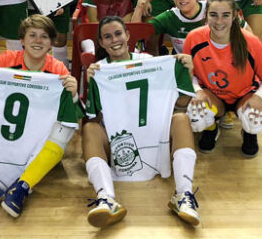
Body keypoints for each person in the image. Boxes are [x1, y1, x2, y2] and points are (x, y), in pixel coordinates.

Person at [0, 15, 80, 218]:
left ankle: (22, 187)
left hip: (34, 135)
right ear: (22, 40)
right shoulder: (4, 62)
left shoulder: (57, 70)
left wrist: (72, 94)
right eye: (32, 35)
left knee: (66, 129)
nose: (38, 41)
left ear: (51, 43)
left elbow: (71, 112)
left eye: (44, 36)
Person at [81, 16, 200, 227]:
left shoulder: (150, 61)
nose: (114, 39)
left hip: (155, 136)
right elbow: (94, 118)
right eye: (107, 37)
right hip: (119, 143)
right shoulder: (98, 70)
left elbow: (180, 104)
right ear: (101, 43)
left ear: (128, 36)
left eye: (118, 33)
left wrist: (187, 73)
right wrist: (91, 84)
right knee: (89, 128)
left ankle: (183, 195)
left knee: (181, 119)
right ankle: (106, 198)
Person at [183, 0, 262, 158]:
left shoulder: (250, 42)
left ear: (234, 16)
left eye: (225, 15)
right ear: (206, 15)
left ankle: (249, 133)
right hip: (213, 96)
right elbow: (190, 74)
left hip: (244, 96)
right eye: (213, 15)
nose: (219, 22)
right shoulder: (194, 38)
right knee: (195, 113)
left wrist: (258, 97)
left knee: (254, 120)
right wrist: (198, 91)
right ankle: (211, 129)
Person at [132, 0, 252, 55]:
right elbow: (135, 36)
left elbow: (247, 32)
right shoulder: (170, 17)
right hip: (187, 72)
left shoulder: (213, 9)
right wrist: (138, 8)